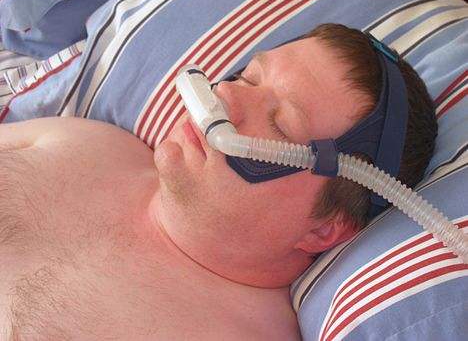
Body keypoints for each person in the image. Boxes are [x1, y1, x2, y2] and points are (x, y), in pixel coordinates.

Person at [0, 24, 436, 340]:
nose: (225, 95)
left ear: (324, 227)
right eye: (247, 77)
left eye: (281, 125)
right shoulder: (84, 142)